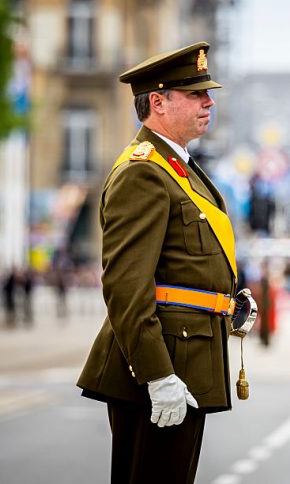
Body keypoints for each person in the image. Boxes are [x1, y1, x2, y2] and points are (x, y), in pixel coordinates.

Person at [77, 42, 238, 484]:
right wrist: (157, 376)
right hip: (162, 363)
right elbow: (126, 288)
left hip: (186, 355)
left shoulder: (177, 166)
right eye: (195, 93)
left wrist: (229, 301)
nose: (209, 101)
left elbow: (184, 262)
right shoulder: (143, 171)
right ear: (159, 102)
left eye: (207, 93)